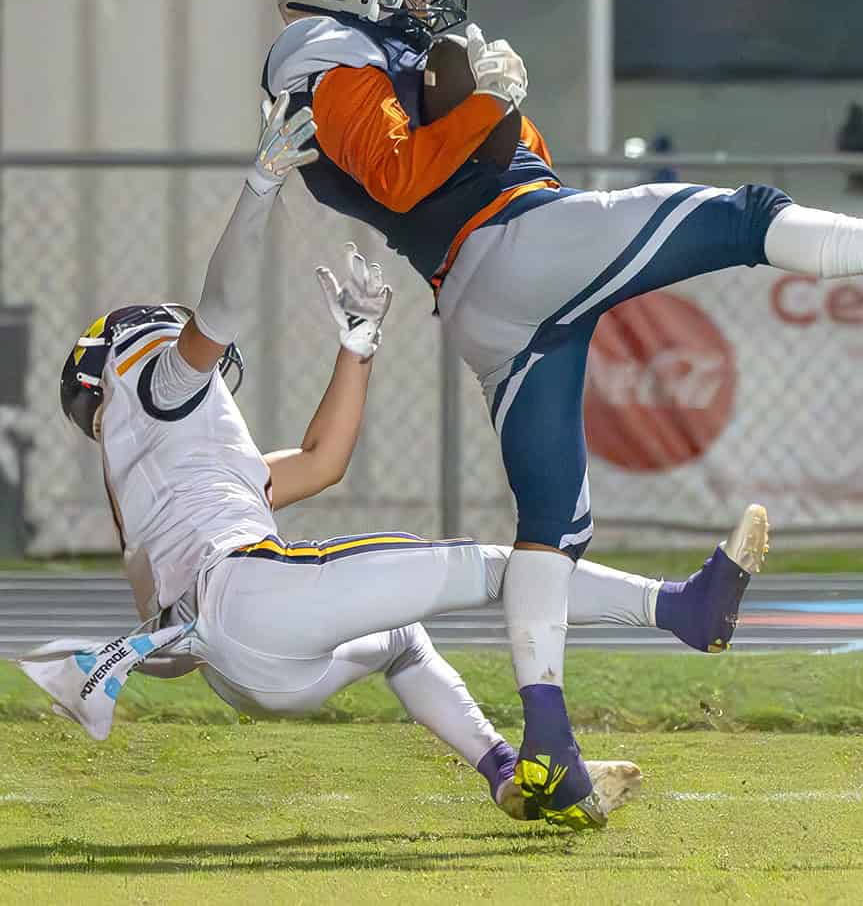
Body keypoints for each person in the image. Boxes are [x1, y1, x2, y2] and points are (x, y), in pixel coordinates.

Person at [263, 0, 863, 827]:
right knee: (743, 216)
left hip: (483, 285)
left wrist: (488, 102)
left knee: (549, 532)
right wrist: (483, 97)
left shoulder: (387, 53)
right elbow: (401, 175)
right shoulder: (319, 43)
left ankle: (549, 753)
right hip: (511, 248)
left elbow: (497, 163)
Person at [19, 95, 769, 830]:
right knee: (503, 566)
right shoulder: (153, 387)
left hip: (241, 666)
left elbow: (321, 461)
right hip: (248, 597)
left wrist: (356, 349)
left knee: (405, 637)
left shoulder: (160, 469)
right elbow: (220, 310)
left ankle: (507, 772)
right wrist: (259, 190)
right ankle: (679, 608)